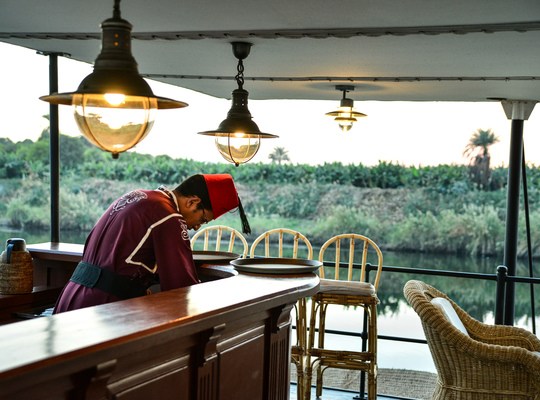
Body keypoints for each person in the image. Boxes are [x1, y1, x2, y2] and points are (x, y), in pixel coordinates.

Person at [53, 173, 250, 313]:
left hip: (71, 296)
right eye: (203, 220)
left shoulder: (137, 196)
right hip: (102, 308)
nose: (197, 227)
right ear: (192, 202)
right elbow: (181, 288)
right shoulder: (169, 216)